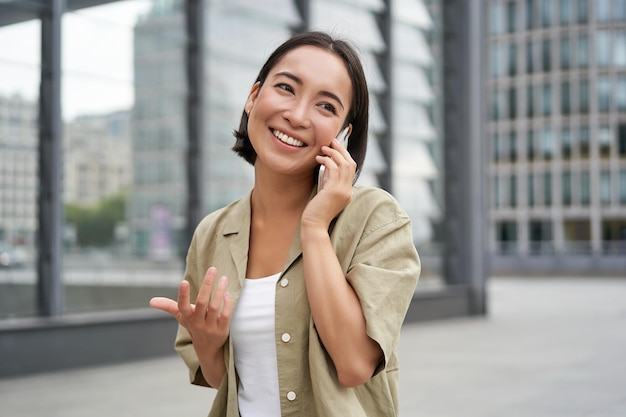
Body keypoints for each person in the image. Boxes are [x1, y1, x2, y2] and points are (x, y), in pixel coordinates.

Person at [149, 31, 421, 417]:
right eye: (286, 88)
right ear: (253, 96)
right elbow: (221, 380)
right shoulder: (213, 232)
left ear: (344, 135)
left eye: (326, 106)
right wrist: (209, 344)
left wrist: (315, 227)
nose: (297, 115)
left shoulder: (377, 219)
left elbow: (355, 364)